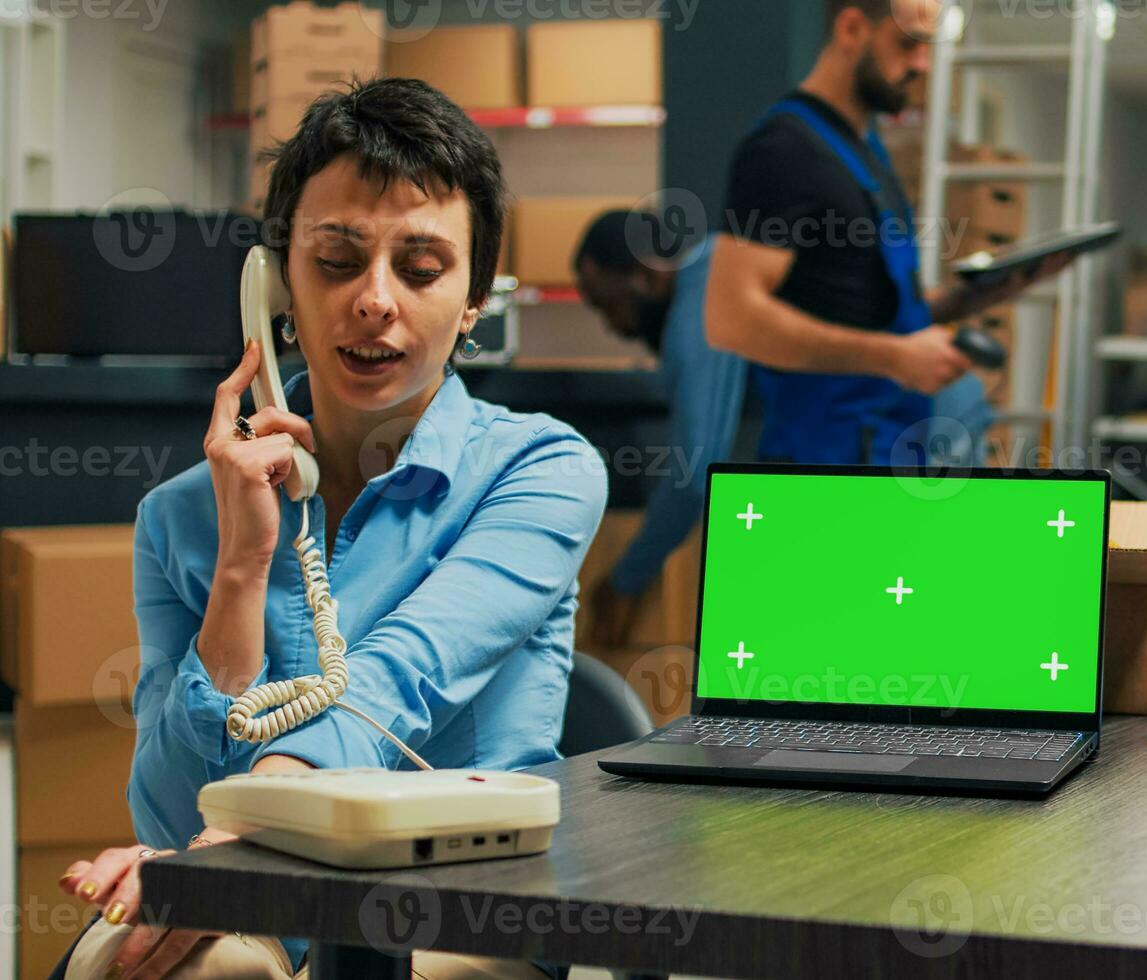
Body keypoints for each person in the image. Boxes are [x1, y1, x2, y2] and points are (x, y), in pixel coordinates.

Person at [59, 78, 602, 980]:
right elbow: (163, 815)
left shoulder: (540, 473)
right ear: (274, 285)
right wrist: (243, 565)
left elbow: (399, 678)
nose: (375, 301)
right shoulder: (184, 515)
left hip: (462, 903)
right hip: (246, 888)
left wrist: (243, 828)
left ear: (472, 302)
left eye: (422, 270)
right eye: (337, 260)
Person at [706, 0, 1062, 466]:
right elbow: (732, 321)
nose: (923, 65)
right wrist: (893, 357)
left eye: (929, 48)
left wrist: (972, 298)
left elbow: (869, 309)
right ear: (852, 27)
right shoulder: (783, 151)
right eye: (908, 44)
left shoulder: (866, 149)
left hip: (889, 447)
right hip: (821, 464)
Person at [572, 211, 747, 648]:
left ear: (644, 276)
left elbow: (693, 479)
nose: (614, 328)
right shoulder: (717, 262)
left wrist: (623, 582)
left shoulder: (699, 313)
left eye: (605, 305)